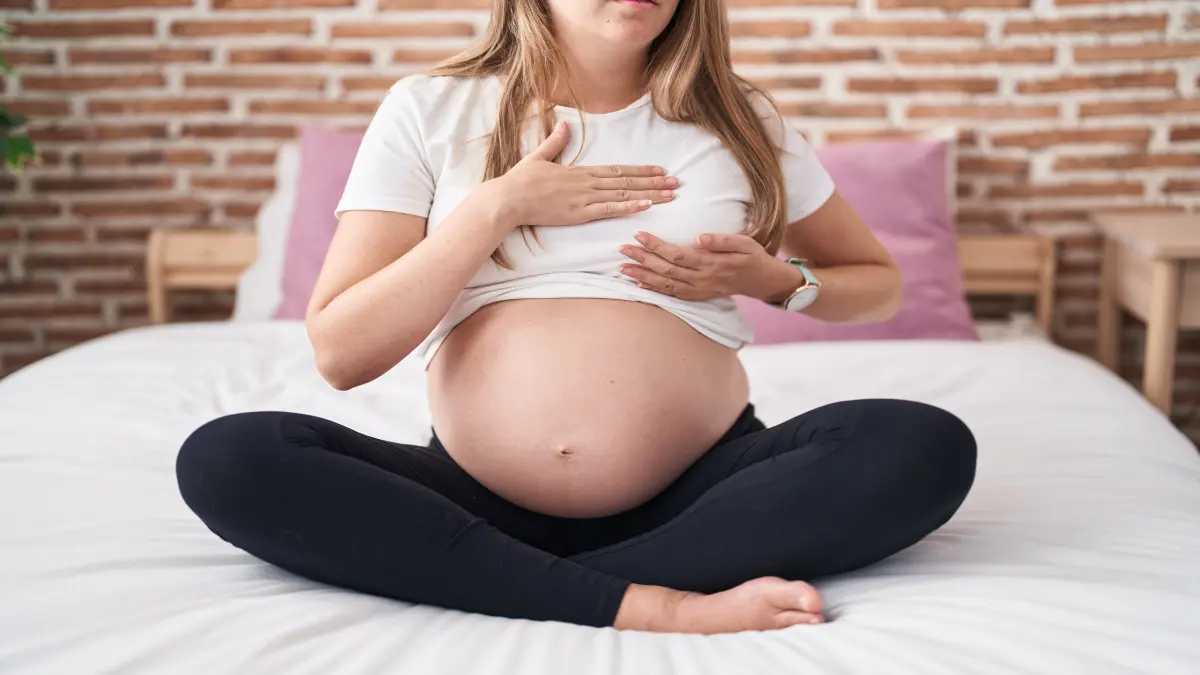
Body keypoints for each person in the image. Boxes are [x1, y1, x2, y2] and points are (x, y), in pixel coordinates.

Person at [176, 0, 977, 634]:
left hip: (701, 494)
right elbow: (340, 352)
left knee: (921, 444)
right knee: (230, 457)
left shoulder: (739, 119)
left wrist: (777, 278)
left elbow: (876, 284)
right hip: (473, 494)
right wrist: (495, 210)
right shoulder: (431, 108)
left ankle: (508, 578)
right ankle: (654, 600)